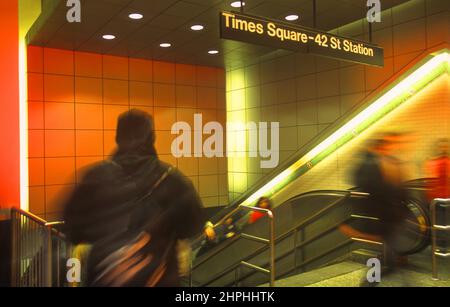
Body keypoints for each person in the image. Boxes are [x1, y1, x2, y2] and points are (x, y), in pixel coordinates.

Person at [63, 109, 205, 287]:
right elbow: (193, 226)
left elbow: (72, 229)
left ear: (117, 138)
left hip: (107, 279)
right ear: (152, 138)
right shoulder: (173, 180)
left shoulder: (93, 178)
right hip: (158, 280)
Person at [340, 133, 410, 284]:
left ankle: (369, 281)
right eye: (388, 146)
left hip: (390, 216)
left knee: (390, 257)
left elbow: (396, 188)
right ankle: (368, 283)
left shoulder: (386, 162)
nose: (391, 149)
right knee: (389, 259)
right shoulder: (369, 164)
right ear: (379, 147)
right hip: (382, 216)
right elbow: (372, 186)